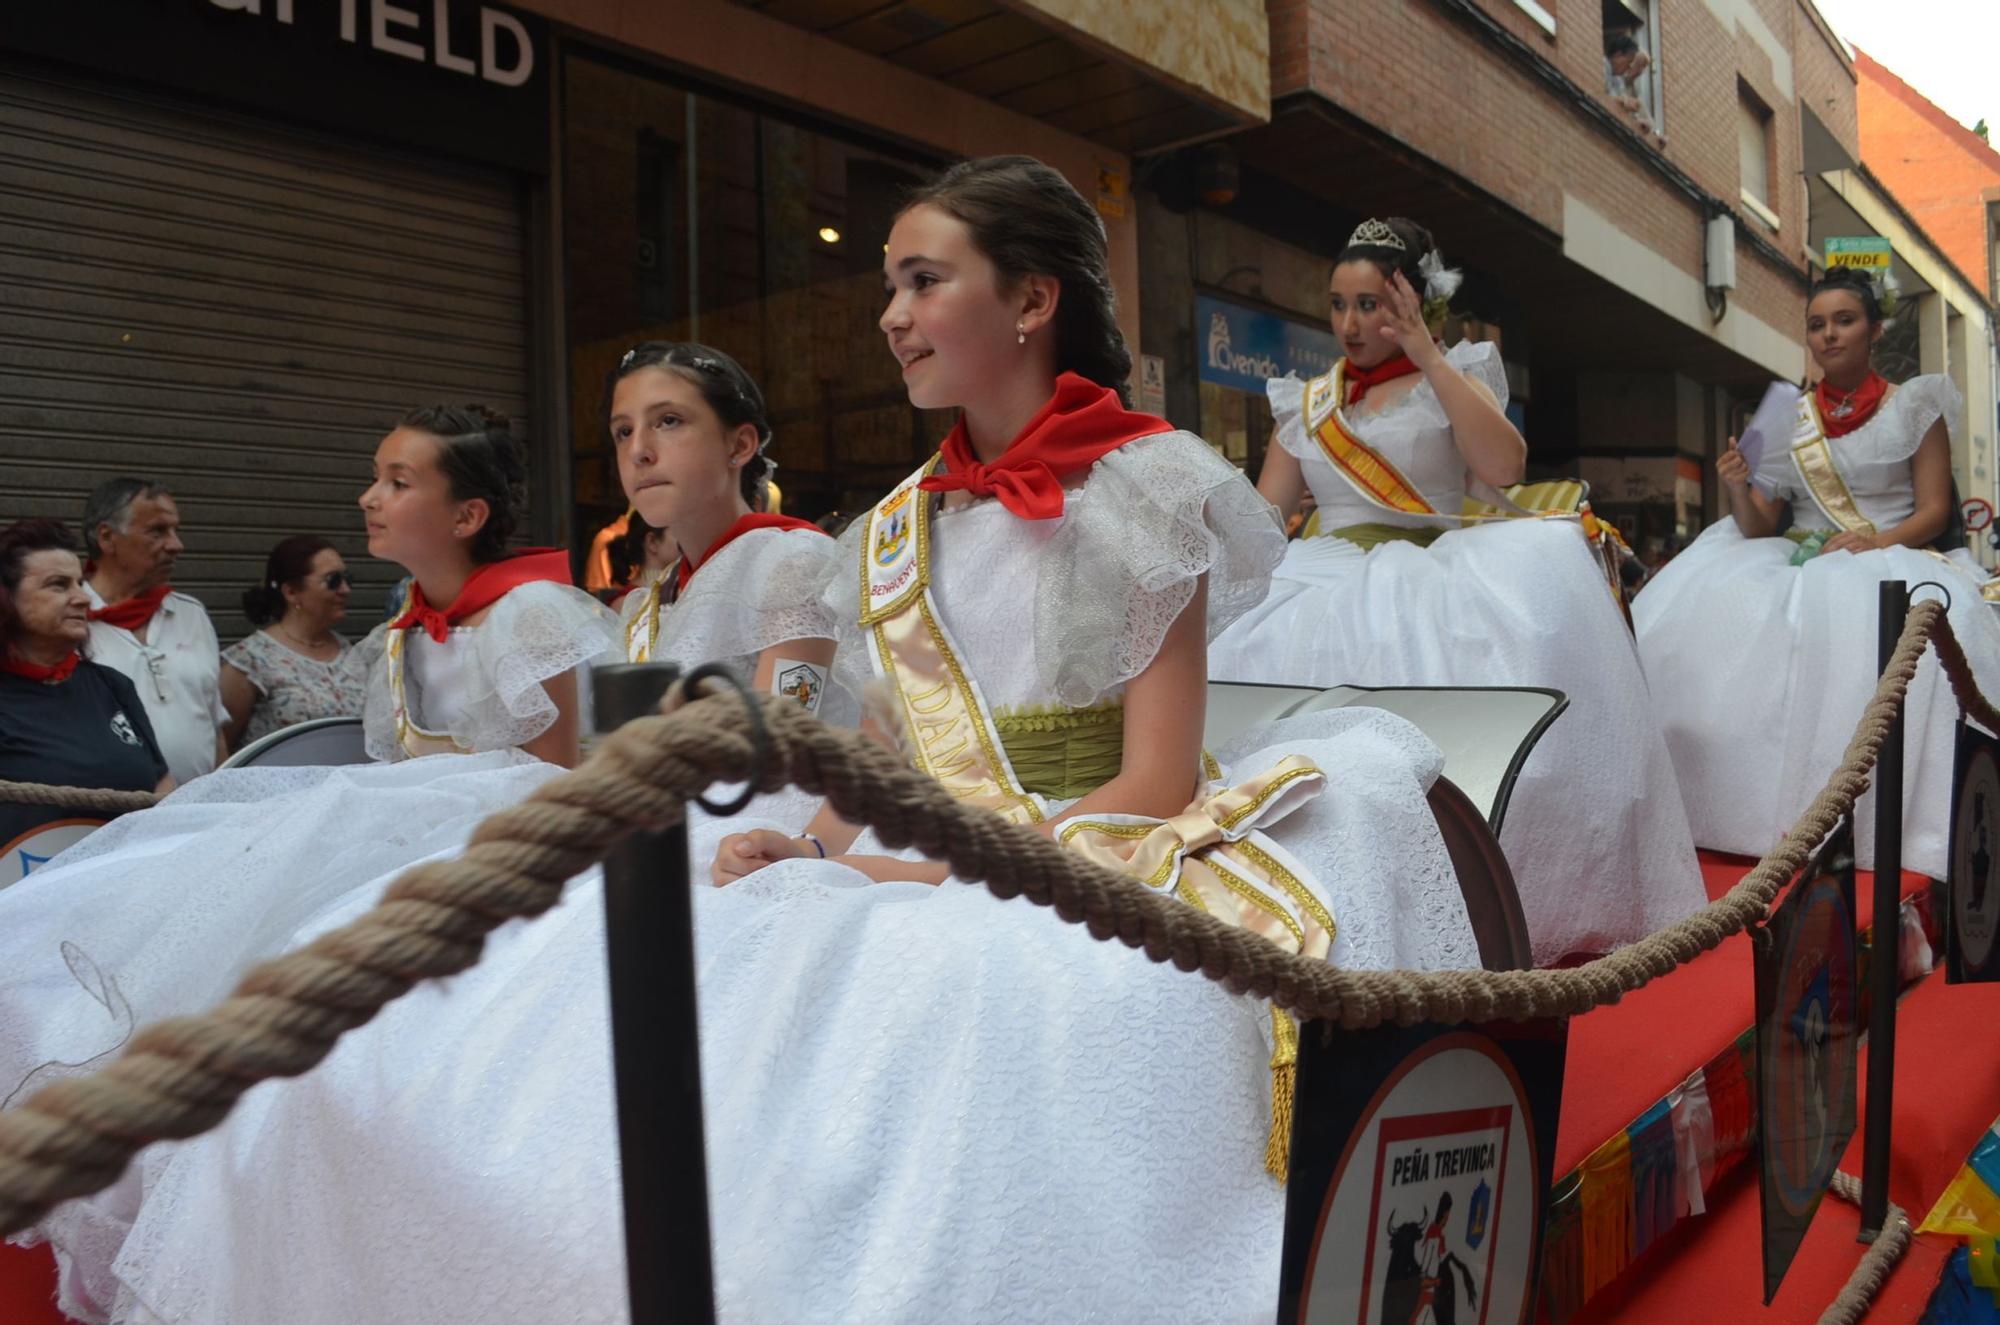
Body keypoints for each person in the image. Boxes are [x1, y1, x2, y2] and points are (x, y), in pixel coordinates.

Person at [87, 157, 1478, 1325]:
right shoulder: (892, 527)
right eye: (889, 282)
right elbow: (885, 748)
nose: (890, 314)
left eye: (924, 279)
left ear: (1033, 299)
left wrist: (907, 875)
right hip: (909, 849)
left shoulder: (1149, 487)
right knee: (571, 1015)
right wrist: (812, 837)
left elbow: (1156, 780)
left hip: (1083, 856)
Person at [1207, 217, 1704, 965]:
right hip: (1323, 577)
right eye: (1339, 304)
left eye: (1371, 303)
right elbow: (1264, 519)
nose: (1349, 323)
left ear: (1414, 304)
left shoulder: (1450, 379)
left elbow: (1503, 467)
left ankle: (1488, 900)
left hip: (1435, 574)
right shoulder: (1304, 406)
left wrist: (1427, 356)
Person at [1634, 266, 2000, 878]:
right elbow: (1759, 525)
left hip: (1891, 550)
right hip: (1801, 558)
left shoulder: (1917, 404)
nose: (1829, 335)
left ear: (1874, 330)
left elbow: (1935, 511)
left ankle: (1893, 819)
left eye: (1845, 320)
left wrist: (1873, 541)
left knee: (1919, 634)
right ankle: (1751, 815)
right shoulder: (1783, 416)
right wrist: (1735, 487)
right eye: (1817, 325)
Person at [356, 405, 616, 767]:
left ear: (467, 516)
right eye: (375, 478)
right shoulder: (404, 628)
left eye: (398, 483)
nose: (367, 499)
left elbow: (554, 779)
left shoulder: (528, 616)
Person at [607, 342, 840, 713]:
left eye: (668, 421)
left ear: (740, 444)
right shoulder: (655, 598)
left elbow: (781, 744)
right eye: (623, 431)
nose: (638, 450)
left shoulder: (792, 566)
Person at [0, 519, 170, 879]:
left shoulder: (112, 685)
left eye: (79, 582)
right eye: (58, 585)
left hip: (126, 891)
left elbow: (162, 785)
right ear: (6, 598)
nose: (82, 597)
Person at [79, 478, 228, 785]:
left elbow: (214, 729)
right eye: (157, 531)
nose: (176, 545)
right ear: (107, 538)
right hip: (106, 817)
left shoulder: (191, 614)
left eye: (175, 530)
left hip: (198, 816)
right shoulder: (69, 619)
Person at [219, 536, 367, 750]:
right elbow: (221, 745)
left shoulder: (353, 654)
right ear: (291, 592)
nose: (345, 590)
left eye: (348, 579)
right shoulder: (250, 661)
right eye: (333, 580)